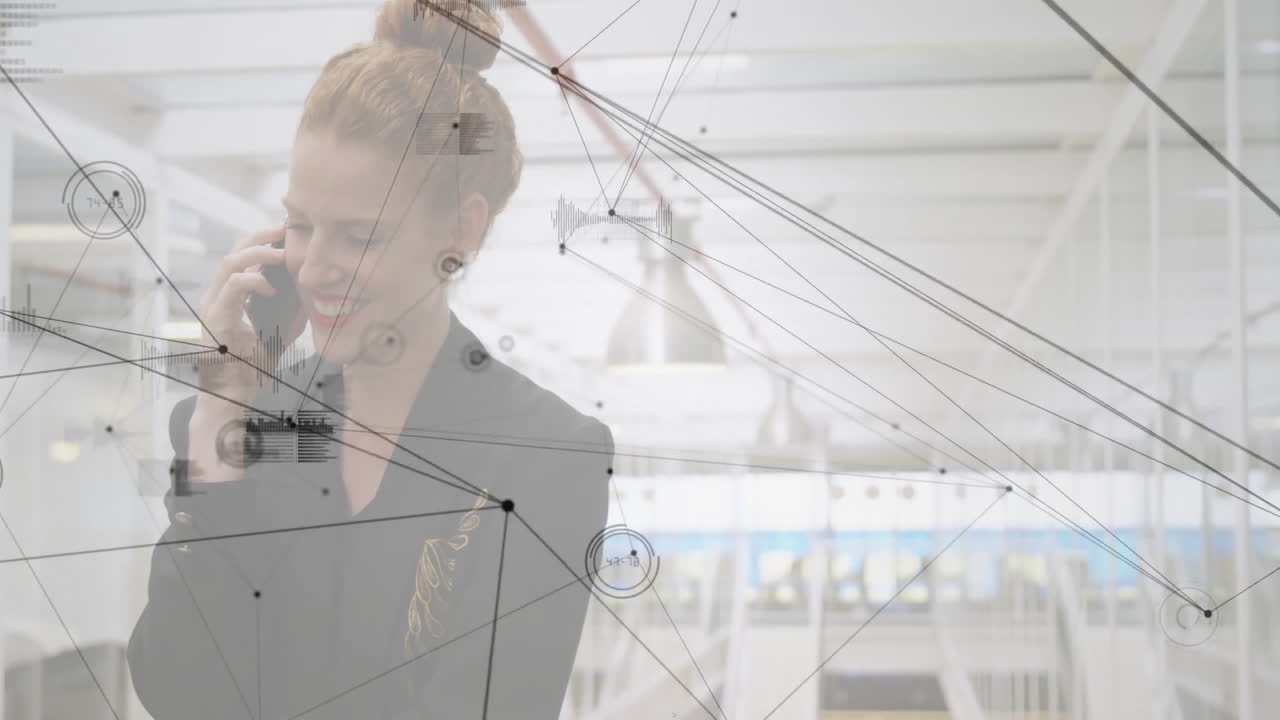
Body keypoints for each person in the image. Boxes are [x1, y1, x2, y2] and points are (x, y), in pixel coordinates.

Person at [126, 1, 615, 717]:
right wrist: (217, 423)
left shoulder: (544, 456)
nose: (315, 266)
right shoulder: (237, 430)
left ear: (459, 228)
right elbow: (178, 690)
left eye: (359, 235)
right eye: (300, 224)